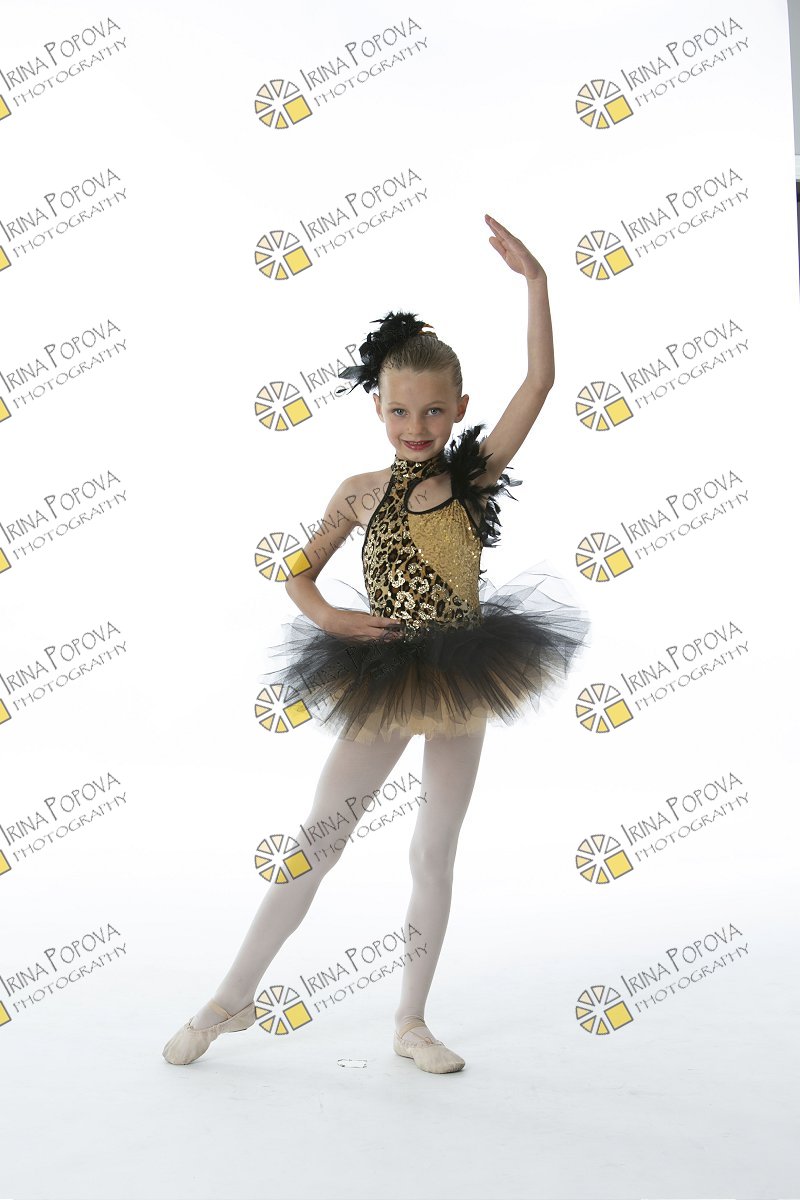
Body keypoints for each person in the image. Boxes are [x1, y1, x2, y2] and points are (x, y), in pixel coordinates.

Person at [162, 213, 592, 1073]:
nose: (416, 424)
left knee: (434, 848)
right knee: (319, 839)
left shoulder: (472, 478)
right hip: (383, 672)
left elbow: (541, 383)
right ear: (378, 409)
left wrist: (538, 284)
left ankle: (411, 1021)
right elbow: (297, 573)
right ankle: (232, 996)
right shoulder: (359, 492)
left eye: (433, 409)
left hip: (463, 673)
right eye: (400, 410)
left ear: (459, 410)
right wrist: (329, 617)